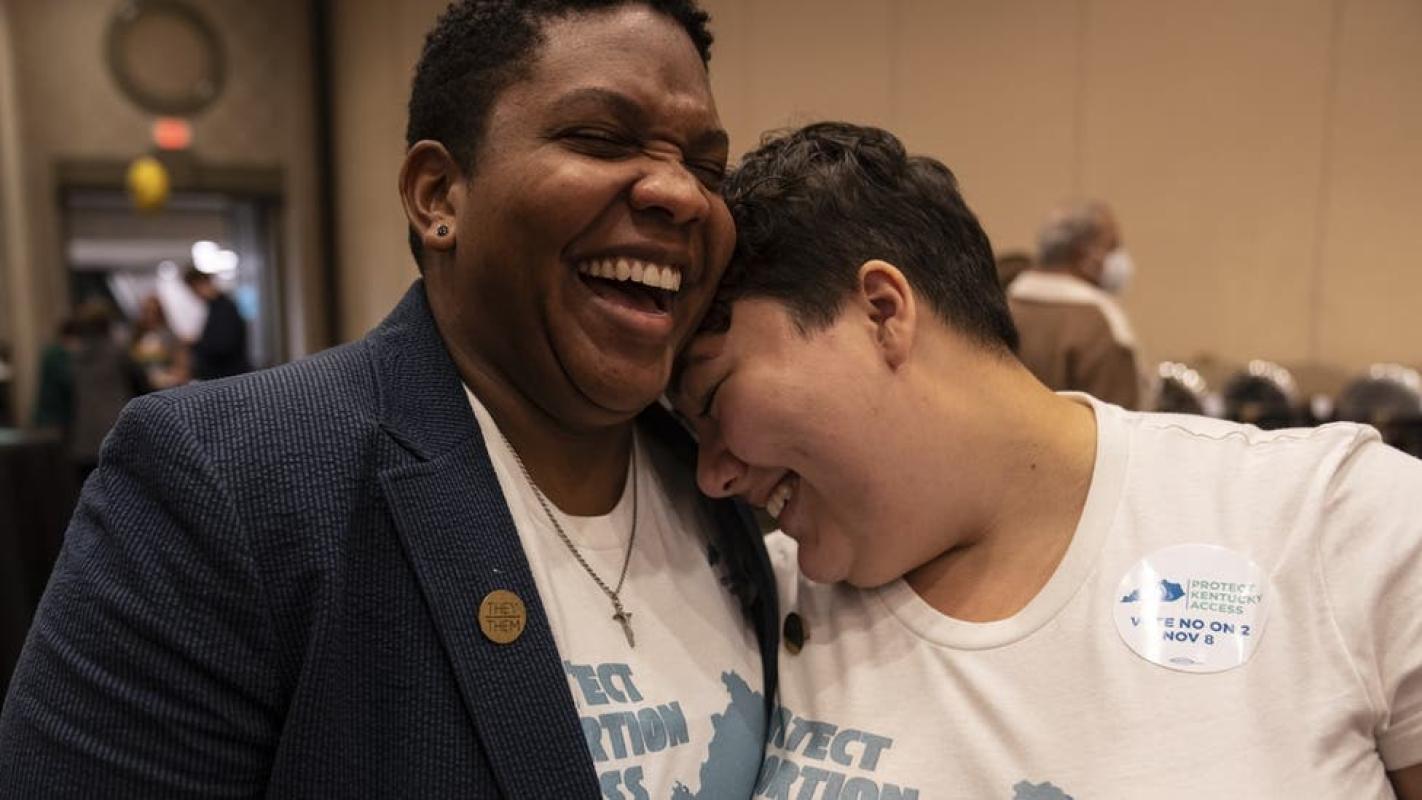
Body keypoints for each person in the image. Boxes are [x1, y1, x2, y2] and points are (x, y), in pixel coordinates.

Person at [0, 2, 778, 797]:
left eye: (708, 169)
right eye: (601, 138)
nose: (682, 193)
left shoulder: (731, 476)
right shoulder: (223, 482)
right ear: (438, 195)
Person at [671, 122, 1422, 799]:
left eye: (715, 398)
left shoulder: (1337, 518)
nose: (713, 474)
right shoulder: (750, 606)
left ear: (881, 312)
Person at [1009, 199, 1144, 409]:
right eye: (1112, 246)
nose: (1120, 258)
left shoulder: (1004, 306)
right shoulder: (1100, 324)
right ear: (1084, 255)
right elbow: (1118, 417)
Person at [182, 267, 251, 380]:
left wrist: (195, 344)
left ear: (201, 284)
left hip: (228, 377)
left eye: (194, 290)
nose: (195, 295)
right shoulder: (216, 308)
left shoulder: (224, 309)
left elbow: (222, 346)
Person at [129, 295, 189, 392]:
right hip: (145, 387)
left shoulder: (168, 334)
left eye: (154, 312)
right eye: (146, 311)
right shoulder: (137, 336)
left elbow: (181, 358)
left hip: (170, 385)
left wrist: (178, 372)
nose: (150, 316)